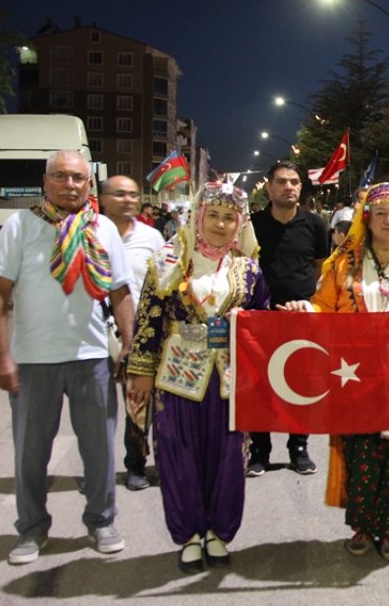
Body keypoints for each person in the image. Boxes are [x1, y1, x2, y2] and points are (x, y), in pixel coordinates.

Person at [280, 182, 389, 562]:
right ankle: (363, 525)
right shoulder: (343, 264)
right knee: (361, 451)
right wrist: (303, 312)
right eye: (381, 213)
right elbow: (323, 307)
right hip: (353, 376)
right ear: (367, 219)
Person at [0, 150, 134, 565]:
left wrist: (129, 346)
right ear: (45, 180)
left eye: (79, 178)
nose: (71, 185)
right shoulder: (20, 226)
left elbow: (120, 292)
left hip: (91, 359)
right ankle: (31, 530)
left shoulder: (101, 227)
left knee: (100, 450)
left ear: (89, 184)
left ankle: (102, 521)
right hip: (33, 361)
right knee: (31, 454)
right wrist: (1, 358)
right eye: (61, 177)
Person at [127, 182, 267, 573]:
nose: (220, 225)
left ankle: (219, 532)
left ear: (239, 224)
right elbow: (149, 319)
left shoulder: (249, 269)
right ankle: (189, 534)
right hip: (176, 374)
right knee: (178, 452)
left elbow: (264, 319)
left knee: (227, 455)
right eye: (213, 216)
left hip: (229, 378)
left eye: (229, 218)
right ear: (197, 217)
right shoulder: (168, 261)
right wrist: (140, 370)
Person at [248, 162, 331, 476]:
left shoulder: (315, 224)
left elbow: (321, 267)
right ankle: (259, 449)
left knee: (301, 385)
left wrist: (309, 302)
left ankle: (299, 448)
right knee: (260, 386)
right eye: (282, 182)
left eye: (295, 182)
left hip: (302, 318)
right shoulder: (252, 225)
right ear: (268, 187)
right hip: (260, 318)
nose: (289, 187)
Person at [99, 175, 165, 491]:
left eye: (133, 194)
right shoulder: (88, 233)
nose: (127, 200)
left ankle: (137, 466)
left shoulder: (152, 238)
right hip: (98, 333)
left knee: (140, 399)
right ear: (102, 198)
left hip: (143, 332)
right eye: (119, 194)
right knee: (100, 409)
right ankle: (98, 471)